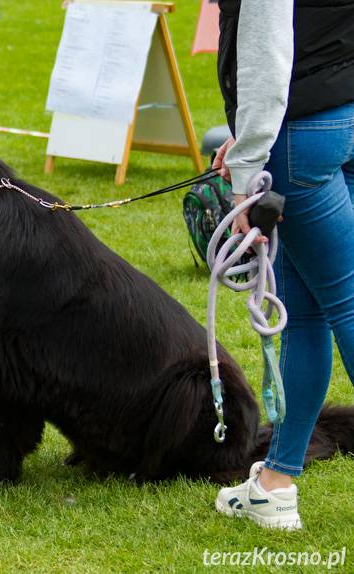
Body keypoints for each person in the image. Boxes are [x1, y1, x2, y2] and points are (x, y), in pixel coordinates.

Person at [212, 0, 354, 530]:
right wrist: (251, 136)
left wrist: (249, 161)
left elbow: (267, 42)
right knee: (309, 311)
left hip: (304, 131)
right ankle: (275, 482)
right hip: (338, 115)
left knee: (343, 303)